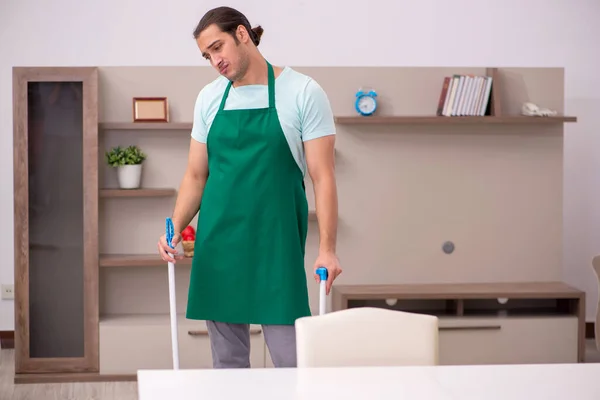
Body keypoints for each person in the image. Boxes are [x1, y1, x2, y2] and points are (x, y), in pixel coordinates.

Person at [157, 6, 341, 369]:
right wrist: (175, 226)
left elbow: (324, 176)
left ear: (242, 34)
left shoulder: (303, 91)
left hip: (277, 246)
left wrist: (328, 249)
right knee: (228, 367)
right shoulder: (209, 98)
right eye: (207, 55)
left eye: (217, 47)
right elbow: (196, 175)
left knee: (292, 365)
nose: (214, 61)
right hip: (219, 247)